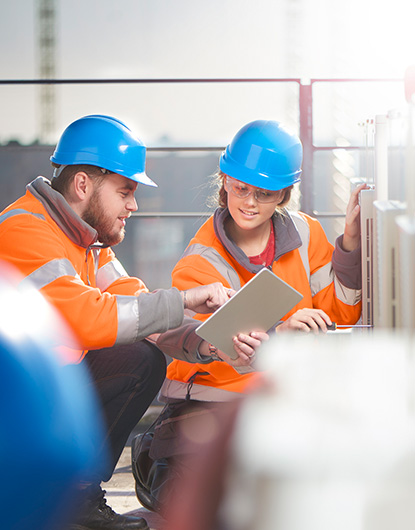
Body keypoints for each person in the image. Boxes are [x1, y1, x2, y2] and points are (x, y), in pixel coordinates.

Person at [0, 114, 267, 530]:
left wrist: (203, 343)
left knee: (139, 358)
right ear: (83, 184)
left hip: (43, 393)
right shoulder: (24, 231)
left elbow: (138, 310)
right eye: (125, 191)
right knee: (136, 358)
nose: (133, 205)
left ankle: (76, 497)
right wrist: (184, 299)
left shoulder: (87, 241)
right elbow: (90, 319)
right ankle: (66, 500)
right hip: (15, 406)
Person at [138, 119, 366, 513]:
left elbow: (337, 312)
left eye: (264, 193)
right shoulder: (201, 260)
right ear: (224, 181)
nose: (249, 202)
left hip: (281, 404)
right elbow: (230, 354)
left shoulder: (306, 234)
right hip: (209, 406)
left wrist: (348, 244)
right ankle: (159, 460)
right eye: (241, 188)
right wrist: (281, 335)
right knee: (210, 505)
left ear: (283, 195)